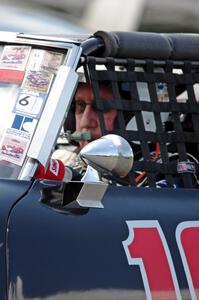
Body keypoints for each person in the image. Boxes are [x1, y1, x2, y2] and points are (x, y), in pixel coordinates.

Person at [52, 81, 117, 176]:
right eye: (80, 105)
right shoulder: (60, 164)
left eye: (102, 107)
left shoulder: (142, 181)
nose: (85, 122)